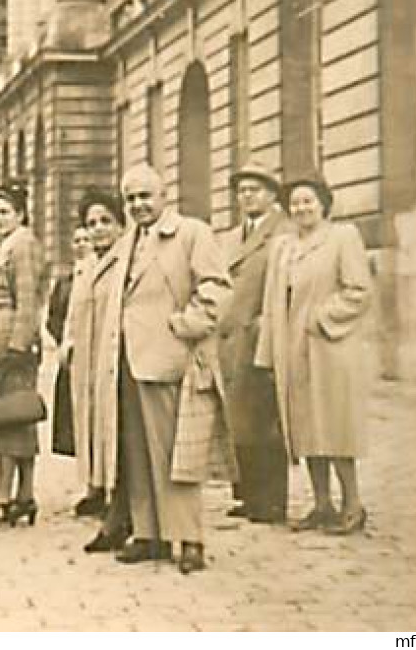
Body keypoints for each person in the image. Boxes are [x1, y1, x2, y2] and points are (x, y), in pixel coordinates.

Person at [108, 164, 232, 575]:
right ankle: (149, 533)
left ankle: (189, 537)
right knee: (138, 452)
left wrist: (185, 326)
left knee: (175, 454)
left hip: (169, 358)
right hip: (128, 360)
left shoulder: (191, 233)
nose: (138, 205)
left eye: (145, 196)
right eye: (131, 199)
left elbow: (215, 289)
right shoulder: (128, 242)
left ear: (164, 196)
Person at [255, 175, 373, 537]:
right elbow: (272, 303)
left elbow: (359, 290)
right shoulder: (284, 247)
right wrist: (269, 354)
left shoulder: (342, 238)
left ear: (324, 204)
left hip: (329, 348)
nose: (301, 208)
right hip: (292, 351)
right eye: (295, 203)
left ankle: (353, 504)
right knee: (305, 428)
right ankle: (322, 504)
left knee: (335, 427)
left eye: (308, 201)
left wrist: (320, 318)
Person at [220, 163, 294, 525]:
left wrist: (269, 322)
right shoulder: (232, 236)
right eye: (242, 190)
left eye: (255, 190)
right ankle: (248, 494)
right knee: (239, 419)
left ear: (271, 195)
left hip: (262, 336)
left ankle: (273, 500)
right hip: (232, 337)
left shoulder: (284, 232)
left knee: (265, 420)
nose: (247, 196)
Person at [0, 182, 44, 530]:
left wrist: (19, 344)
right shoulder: (8, 246)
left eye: (5, 212)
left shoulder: (22, 245)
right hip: (2, 337)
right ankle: (25, 495)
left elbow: (28, 298)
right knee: (18, 418)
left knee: (6, 418)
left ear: (21, 214)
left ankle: (3, 499)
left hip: (11, 342)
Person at [68, 191, 132, 553]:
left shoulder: (126, 260)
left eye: (106, 221)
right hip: (90, 366)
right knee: (98, 436)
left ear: (121, 224)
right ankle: (110, 503)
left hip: (119, 363)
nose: (98, 229)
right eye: (91, 223)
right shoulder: (90, 263)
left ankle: (121, 515)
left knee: (119, 439)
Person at [48, 225, 93, 496]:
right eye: (77, 240)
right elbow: (53, 315)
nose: (81, 244)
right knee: (74, 423)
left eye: (85, 239)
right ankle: (89, 486)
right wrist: (62, 340)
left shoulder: (97, 272)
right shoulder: (65, 280)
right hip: (69, 355)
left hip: (89, 355)